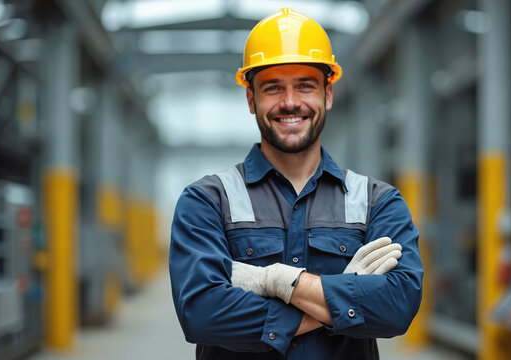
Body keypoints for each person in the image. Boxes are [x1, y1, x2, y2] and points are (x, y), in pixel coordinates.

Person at [169, 8, 423, 360]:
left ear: (328, 95)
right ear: (251, 98)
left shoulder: (378, 202)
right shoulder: (207, 201)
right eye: (273, 88)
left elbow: (398, 306)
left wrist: (274, 280)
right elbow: (201, 314)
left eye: (305, 85)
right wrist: (344, 299)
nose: (290, 102)